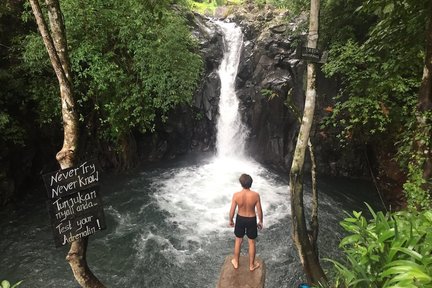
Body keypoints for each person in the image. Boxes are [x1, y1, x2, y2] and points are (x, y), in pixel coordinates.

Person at [229, 173, 263, 271]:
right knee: (251, 242)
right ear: (251, 183)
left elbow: (232, 210)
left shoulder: (236, 195)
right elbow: (259, 210)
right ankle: (252, 265)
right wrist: (260, 221)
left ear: (241, 183)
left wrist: (231, 220)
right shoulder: (255, 195)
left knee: (238, 240)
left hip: (240, 218)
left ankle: (236, 262)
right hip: (251, 219)